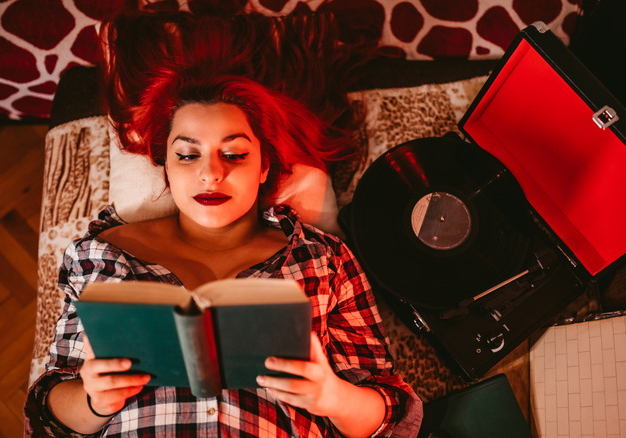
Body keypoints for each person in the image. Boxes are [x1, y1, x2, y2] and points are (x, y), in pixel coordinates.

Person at [24, 7, 422, 438]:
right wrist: (92, 400)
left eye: (234, 154)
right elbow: (49, 408)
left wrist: (332, 397)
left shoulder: (323, 259)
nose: (211, 173)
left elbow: (391, 416)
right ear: (165, 167)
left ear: (265, 166)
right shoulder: (101, 257)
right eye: (188, 154)